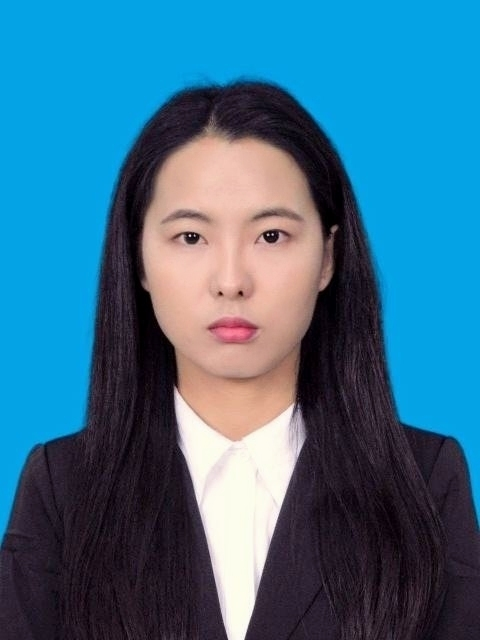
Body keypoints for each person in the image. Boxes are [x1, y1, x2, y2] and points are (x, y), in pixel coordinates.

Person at [1, 80, 479, 640]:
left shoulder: (425, 480)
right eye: (190, 237)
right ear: (139, 260)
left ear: (328, 257)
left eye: (271, 235)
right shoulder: (64, 490)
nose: (231, 281)